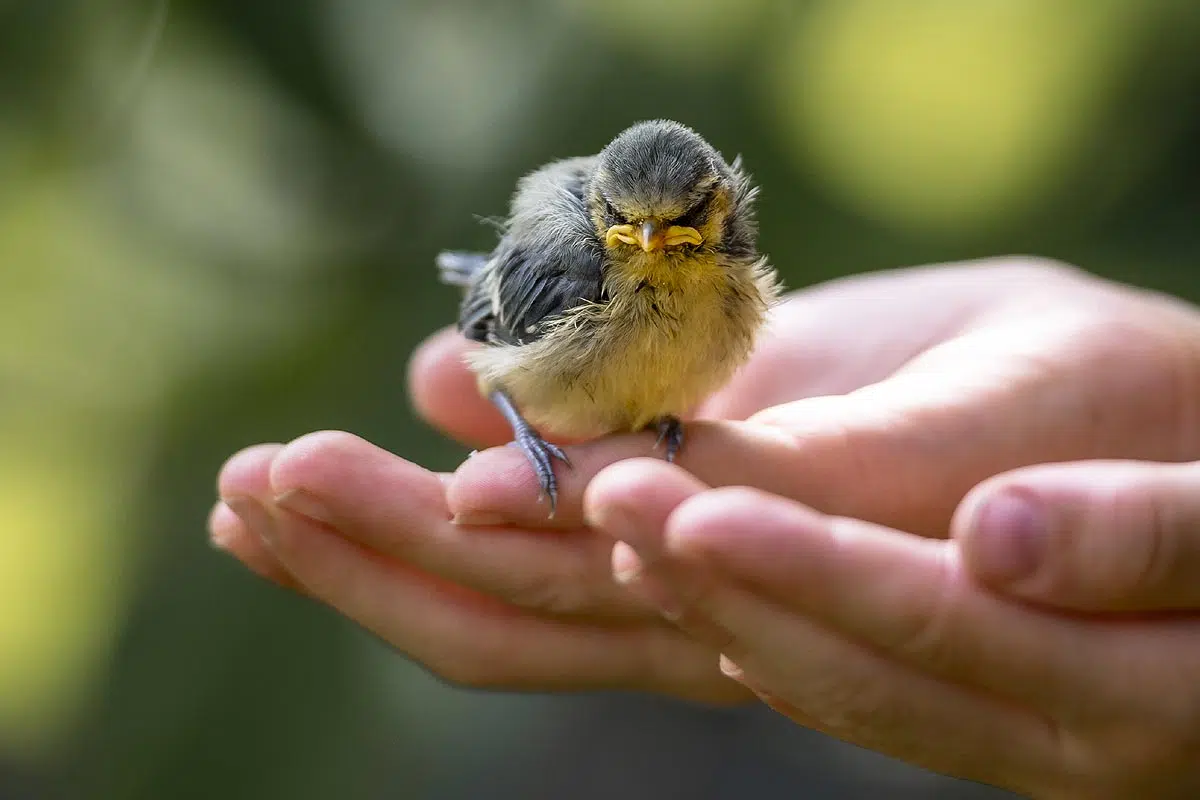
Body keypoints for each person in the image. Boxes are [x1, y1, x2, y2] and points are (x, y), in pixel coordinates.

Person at [211, 256, 1200, 797]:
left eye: (692, 230)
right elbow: (496, 352)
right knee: (520, 447)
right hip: (546, 401)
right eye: (638, 234)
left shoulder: (725, 288)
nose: (663, 247)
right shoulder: (572, 269)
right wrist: (534, 437)